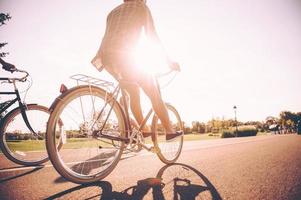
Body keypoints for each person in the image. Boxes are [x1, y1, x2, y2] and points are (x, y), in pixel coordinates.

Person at [91, 0, 182, 140]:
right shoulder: (141, 7)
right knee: (154, 93)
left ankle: (143, 130)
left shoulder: (112, 12)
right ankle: (169, 130)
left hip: (106, 59)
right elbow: (153, 37)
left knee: (133, 91)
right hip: (125, 56)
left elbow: (106, 38)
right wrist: (169, 62)